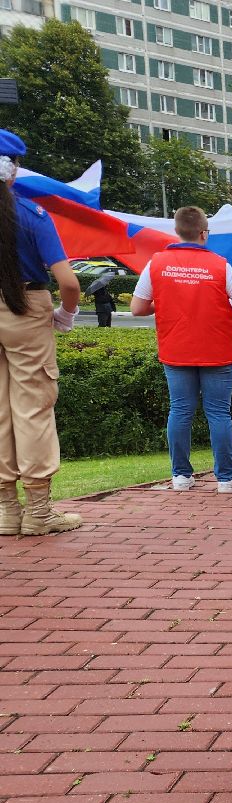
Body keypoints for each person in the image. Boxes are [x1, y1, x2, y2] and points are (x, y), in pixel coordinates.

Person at [130, 206, 232, 494]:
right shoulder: (221, 265)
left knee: (180, 410)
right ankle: (226, 479)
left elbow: (137, 308)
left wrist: (164, 301)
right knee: (219, 413)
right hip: (219, 350)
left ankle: (181, 476)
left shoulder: (157, 263)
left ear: (176, 231)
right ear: (204, 233)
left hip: (176, 349)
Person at [0, 130, 84, 536]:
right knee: (32, 407)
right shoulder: (31, 215)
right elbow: (68, 282)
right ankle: (38, 511)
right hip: (26, 307)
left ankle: (5, 511)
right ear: (13, 170)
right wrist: (66, 314)